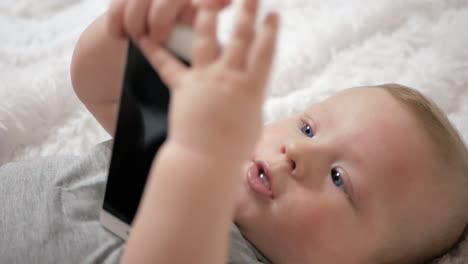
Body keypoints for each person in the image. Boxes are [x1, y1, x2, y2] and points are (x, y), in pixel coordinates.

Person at [0, 0, 466, 263]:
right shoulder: (195, 145)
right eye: (307, 126)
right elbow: (96, 86)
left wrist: (199, 160)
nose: (297, 152)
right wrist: (135, 29)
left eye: (340, 179)